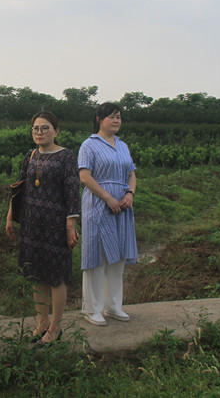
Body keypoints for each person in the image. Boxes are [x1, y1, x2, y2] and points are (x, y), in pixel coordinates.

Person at [5, 111, 80, 345]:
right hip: (31, 225)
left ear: (56, 131)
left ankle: (55, 328)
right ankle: (42, 322)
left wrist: (70, 224)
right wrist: (10, 216)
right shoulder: (30, 156)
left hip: (55, 226)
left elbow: (72, 192)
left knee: (56, 276)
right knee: (36, 273)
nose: (39, 133)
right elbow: (19, 189)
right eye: (35, 129)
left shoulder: (66, 157)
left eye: (45, 128)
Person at [78, 103, 137, 326]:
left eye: (119, 117)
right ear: (99, 119)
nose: (116, 121)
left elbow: (131, 174)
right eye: (111, 117)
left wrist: (130, 193)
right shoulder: (89, 145)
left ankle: (113, 306)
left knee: (118, 254)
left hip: (122, 206)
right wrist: (107, 198)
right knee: (96, 255)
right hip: (98, 204)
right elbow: (85, 177)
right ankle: (92, 308)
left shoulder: (122, 145)